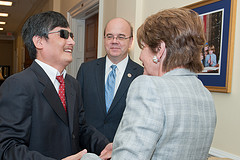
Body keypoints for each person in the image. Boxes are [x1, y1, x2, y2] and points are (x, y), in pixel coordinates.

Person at [81, 8, 217, 160]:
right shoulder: (204, 94)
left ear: (160, 49)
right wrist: (122, 147)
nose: (140, 56)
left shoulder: (149, 87)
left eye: (143, 47)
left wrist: (89, 158)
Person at [0, 11, 112, 160]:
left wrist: (104, 145)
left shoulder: (72, 84)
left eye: (72, 36)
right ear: (39, 41)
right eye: (63, 35)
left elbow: (81, 129)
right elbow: (7, 148)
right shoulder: (18, 85)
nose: (71, 42)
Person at [76, 17, 143, 142]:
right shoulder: (86, 70)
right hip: (87, 148)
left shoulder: (141, 75)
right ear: (104, 39)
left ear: (131, 41)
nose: (114, 41)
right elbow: (77, 113)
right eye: (109, 36)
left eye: (121, 37)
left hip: (123, 149)